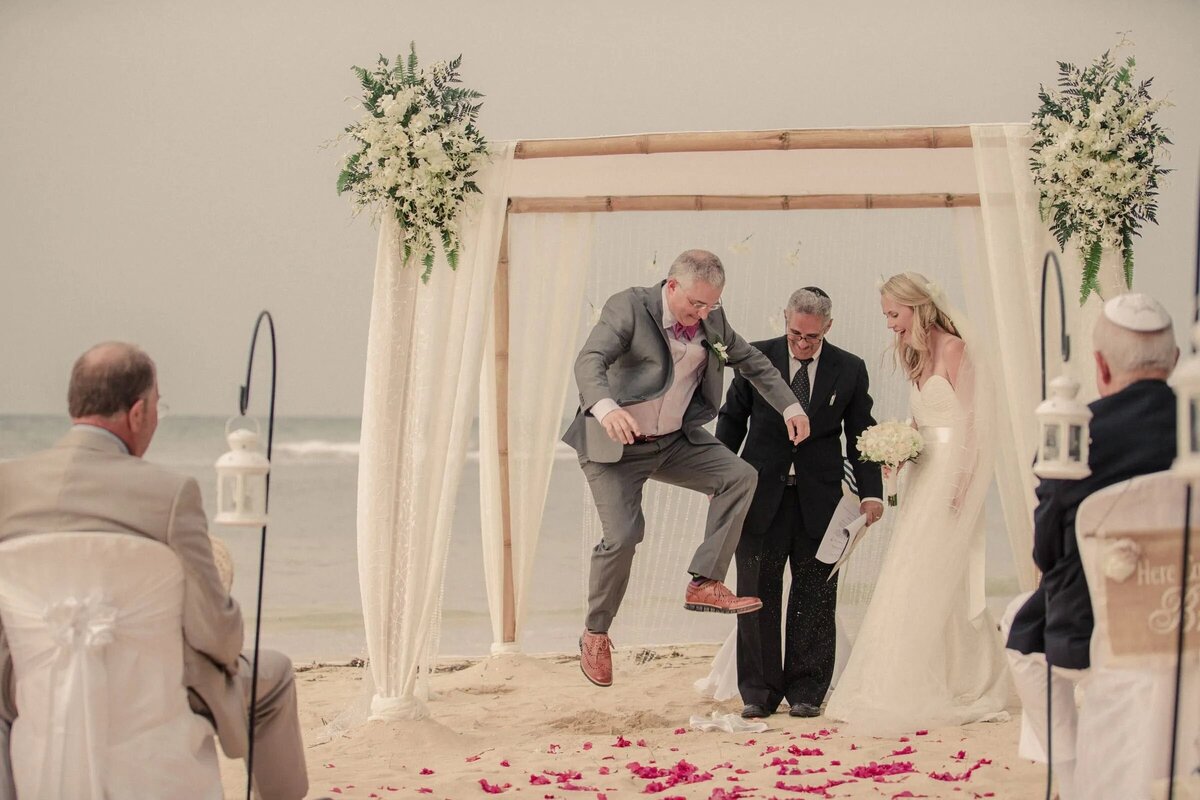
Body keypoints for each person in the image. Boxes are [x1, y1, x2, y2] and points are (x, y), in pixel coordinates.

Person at [0, 342, 308, 800]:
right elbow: (218, 637)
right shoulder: (170, 494)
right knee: (275, 673)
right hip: (154, 699)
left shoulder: (8, 487)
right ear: (139, 412)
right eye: (159, 404)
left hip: (34, 692)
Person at [563, 249, 811, 687]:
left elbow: (753, 362)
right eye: (695, 304)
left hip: (676, 440)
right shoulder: (630, 307)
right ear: (671, 285)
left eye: (710, 305)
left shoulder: (713, 321)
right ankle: (596, 632)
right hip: (617, 443)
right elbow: (590, 361)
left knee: (740, 476)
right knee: (623, 536)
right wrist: (605, 409)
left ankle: (705, 581)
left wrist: (792, 405)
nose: (701, 314)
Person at [1004, 293, 1178, 800]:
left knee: (1019, 628)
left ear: (1099, 366)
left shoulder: (1075, 432)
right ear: (1174, 362)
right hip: (1186, 621)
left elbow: (1047, 554)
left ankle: (1075, 777)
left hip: (1101, 629)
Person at [823, 272, 1010, 731]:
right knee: (914, 570)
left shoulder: (954, 349)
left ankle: (967, 675)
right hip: (925, 473)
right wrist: (900, 449)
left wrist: (961, 489)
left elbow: (972, 425)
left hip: (952, 476)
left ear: (916, 307)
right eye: (886, 315)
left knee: (942, 572)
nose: (889, 324)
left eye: (893, 314)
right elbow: (923, 418)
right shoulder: (916, 355)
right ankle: (920, 670)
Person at [716, 286, 883, 719]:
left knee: (814, 596)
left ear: (828, 326)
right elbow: (732, 420)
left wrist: (870, 494)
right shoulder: (756, 358)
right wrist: (718, 480)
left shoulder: (849, 368)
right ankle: (758, 692)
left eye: (811, 337)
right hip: (758, 497)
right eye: (795, 334)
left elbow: (860, 435)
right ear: (784, 319)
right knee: (755, 593)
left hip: (821, 501)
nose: (802, 344)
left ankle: (807, 690)